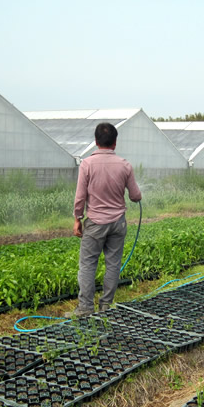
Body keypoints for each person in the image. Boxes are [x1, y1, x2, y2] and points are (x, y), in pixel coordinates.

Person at [65, 122, 142, 317]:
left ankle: (85, 308)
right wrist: (137, 196)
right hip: (118, 223)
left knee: (88, 264)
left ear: (96, 142)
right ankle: (106, 305)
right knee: (113, 263)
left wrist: (77, 218)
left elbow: (80, 196)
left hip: (96, 223)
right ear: (115, 143)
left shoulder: (87, 164)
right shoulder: (125, 165)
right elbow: (134, 195)